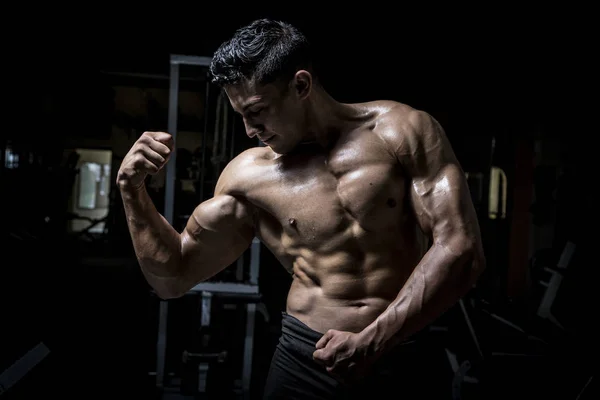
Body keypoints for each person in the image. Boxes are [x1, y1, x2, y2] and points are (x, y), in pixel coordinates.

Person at [116, 18, 486, 400]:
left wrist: (374, 340)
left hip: (402, 352)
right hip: (306, 362)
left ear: (301, 85)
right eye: (240, 115)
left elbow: (461, 248)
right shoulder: (249, 176)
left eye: (257, 111)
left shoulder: (402, 131)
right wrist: (131, 189)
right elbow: (172, 277)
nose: (248, 129)